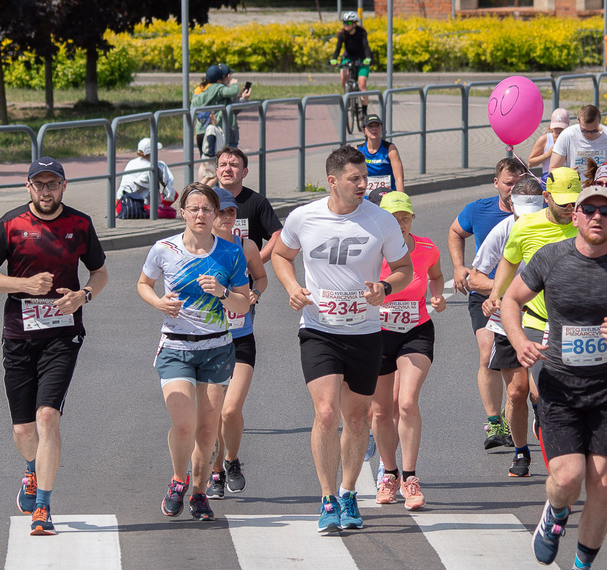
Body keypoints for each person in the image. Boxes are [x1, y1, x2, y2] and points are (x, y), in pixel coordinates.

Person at [500, 185, 607, 569]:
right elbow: (511, 299)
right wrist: (519, 341)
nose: (598, 216)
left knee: (601, 482)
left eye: (606, 211)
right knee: (567, 479)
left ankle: (582, 564)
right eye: (589, 209)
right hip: (561, 385)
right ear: (575, 216)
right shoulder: (551, 257)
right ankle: (556, 512)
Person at [271, 145, 413, 532]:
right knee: (326, 412)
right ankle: (327, 497)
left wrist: (384, 286)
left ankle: (349, 493)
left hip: (365, 331)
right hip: (318, 328)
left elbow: (403, 267)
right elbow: (281, 256)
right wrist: (292, 286)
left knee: (355, 416)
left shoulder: (380, 220)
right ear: (332, 181)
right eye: (355, 179)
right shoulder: (304, 217)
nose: (364, 185)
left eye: (365, 177)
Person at [0, 157, 109, 535]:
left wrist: (83, 295)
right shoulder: (11, 223)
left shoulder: (79, 224)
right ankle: (31, 470)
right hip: (19, 333)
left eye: (53, 184)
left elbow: (99, 272)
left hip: (63, 333)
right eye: (39, 184)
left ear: (64, 186)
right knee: (23, 430)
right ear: (28, 187)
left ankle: (44, 508)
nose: (46, 191)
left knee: (48, 416)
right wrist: (23, 285)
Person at [137, 183, 253, 522]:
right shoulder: (164, 249)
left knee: (206, 430)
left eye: (206, 209)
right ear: (182, 212)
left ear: (215, 214)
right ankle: (178, 479)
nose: (200, 214)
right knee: (184, 424)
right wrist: (159, 302)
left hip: (216, 348)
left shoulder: (230, 253)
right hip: (176, 346)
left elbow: (243, 304)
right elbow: (143, 284)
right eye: (194, 208)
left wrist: (222, 292)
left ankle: (200, 493)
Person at [371, 192, 445, 510]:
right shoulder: (370, 252)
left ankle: (410, 478)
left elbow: (437, 275)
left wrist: (438, 295)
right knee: (380, 411)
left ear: (412, 219)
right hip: (376, 334)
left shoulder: (426, 247)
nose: (399, 223)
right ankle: (389, 472)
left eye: (405, 217)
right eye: (392, 218)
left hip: (416, 331)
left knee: (407, 401)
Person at [469, 177, 546, 478]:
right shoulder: (503, 231)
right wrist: (500, 293)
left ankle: (544, 418)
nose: (525, 223)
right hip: (509, 321)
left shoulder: (556, 229)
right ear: (511, 207)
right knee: (516, 392)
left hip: (543, 320)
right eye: (520, 217)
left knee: (540, 394)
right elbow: (475, 277)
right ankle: (521, 451)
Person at [448, 158, 522, 450]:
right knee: (488, 352)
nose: (514, 189)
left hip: (525, 296)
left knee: (520, 362)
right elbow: (455, 232)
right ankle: (494, 422)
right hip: (485, 291)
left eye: (519, 183)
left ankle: (512, 409)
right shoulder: (478, 210)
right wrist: (457, 266)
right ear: (496, 183)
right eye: (508, 183)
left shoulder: (536, 213)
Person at [205, 187, 267, 500]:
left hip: (241, 337)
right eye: (221, 212)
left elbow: (261, 277)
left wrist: (255, 292)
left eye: (231, 212)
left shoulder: (246, 245)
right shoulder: (200, 250)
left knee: (230, 411)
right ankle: (215, 472)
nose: (227, 217)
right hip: (212, 341)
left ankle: (231, 461)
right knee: (215, 412)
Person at [214, 146, 283, 264]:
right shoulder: (206, 200)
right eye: (223, 164)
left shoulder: (257, 201)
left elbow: (279, 235)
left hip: (247, 280)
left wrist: (255, 262)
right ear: (217, 171)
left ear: (244, 172)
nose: (227, 169)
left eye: (234, 165)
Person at [191, 63, 251, 184]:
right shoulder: (220, 89)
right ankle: (203, 193)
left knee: (207, 163)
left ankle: (201, 191)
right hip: (214, 131)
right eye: (229, 75)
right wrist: (235, 86)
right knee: (217, 168)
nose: (230, 77)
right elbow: (232, 95)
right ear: (222, 78)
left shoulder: (201, 89)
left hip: (201, 130)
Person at [550, 105, 607, 181]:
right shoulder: (567, 135)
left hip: (602, 190)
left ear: (599, 121)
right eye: (584, 130)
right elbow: (553, 169)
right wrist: (567, 175)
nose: (589, 134)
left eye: (594, 130)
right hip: (576, 190)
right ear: (578, 120)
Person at [116, 137, 178, 219]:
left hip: (120, 202)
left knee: (174, 195)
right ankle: (150, 210)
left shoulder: (132, 162)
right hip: (132, 205)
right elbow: (150, 192)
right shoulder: (150, 168)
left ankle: (153, 208)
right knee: (171, 213)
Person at [330, 12, 373, 118]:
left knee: (362, 84)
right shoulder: (342, 34)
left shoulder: (361, 32)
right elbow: (338, 48)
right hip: (348, 58)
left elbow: (366, 46)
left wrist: (368, 58)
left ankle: (364, 111)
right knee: (343, 75)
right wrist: (334, 59)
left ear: (354, 23)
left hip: (362, 59)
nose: (345, 25)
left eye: (348, 22)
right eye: (344, 22)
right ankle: (347, 96)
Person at [357, 114, 405, 201]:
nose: (374, 129)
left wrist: (401, 201)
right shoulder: (358, 151)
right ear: (364, 130)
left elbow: (399, 179)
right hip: (366, 200)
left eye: (377, 125)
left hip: (388, 198)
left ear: (381, 128)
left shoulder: (390, 149)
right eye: (370, 126)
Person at [528, 108, 571, 188]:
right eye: (556, 127)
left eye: (561, 128)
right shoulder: (544, 139)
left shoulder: (571, 139)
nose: (558, 130)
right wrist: (547, 155)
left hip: (567, 179)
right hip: (548, 179)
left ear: (568, 124)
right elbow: (531, 163)